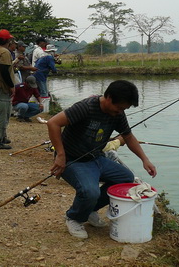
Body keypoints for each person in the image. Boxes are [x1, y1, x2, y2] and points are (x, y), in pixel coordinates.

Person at [47, 80, 157, 239]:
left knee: (126, 178)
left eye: (124, 109)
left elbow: (128, 136)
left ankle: (90, 210)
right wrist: (60, 155)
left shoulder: (117, 114)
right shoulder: (86, 107)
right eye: (119, 107)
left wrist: (144, 160)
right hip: (73, 160)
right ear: (109, 98)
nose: (120, 112)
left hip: (96, 158)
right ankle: (74, 217)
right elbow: (53, 123)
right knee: (89, 191)